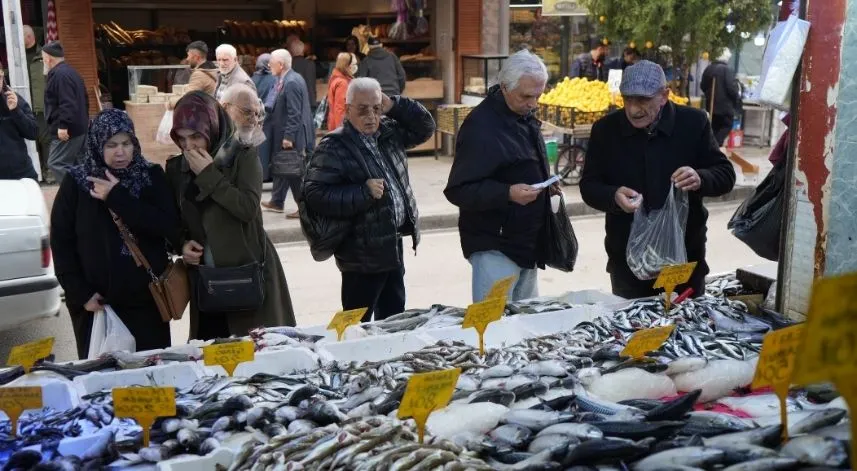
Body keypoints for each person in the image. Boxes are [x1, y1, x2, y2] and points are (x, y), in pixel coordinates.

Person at [580, 60, 736, 299]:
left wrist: (700, 178)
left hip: (684, 260)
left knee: (684, 326)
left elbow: (725, 174)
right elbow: (589, 186)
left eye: (643, 100)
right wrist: (613, 197)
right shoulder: (606, 130)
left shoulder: (693, 123)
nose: (633, 109)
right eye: (627, 99)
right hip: (627, 262)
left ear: (664, 96)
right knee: (631, 329)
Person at [165, 91, 296, 341]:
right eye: (181, 139)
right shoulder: (176, 169)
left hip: (247, 272)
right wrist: (182, 244)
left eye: (195, 136)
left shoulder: (242, 155)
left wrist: (208, 174)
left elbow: (247, 208)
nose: (189, 146)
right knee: (212, 354)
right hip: (208, 280)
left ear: (212, 128)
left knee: (257, 352)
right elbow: (174, 220)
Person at [303, 78, 434, 322]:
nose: (371, 116)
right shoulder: (334, 145)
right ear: (347, 107)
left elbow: (425, 126)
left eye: (376, 108)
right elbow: (315, 194)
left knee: (394, 320)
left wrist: (394, 106)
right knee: (356, 323)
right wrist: (362, 193)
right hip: (360, 254)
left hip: (392, 245)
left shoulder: (389, 132)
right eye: (363, 109)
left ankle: (390, 360)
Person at [50, 109, 178, 359]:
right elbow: (61, 242)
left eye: (126, 143)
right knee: (102, 384)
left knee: (150, 378)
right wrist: (80, 293)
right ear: (98, 143)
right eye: (111, 145)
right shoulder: (77, 182)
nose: (120, 152)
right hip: (97, 305)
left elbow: (167, 226)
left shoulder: (150, 176)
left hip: (146, 303)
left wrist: (118, 197)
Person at [445, 50, 556, 303]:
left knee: (525, 324)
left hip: (527, 241)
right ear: (505, 87)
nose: (533, 103)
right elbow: (459, 189)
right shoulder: (481, 127)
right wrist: (508, 193)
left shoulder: (521, 115)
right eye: (526, 96)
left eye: (538, 96)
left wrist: (546, 184)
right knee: (494, 327)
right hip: (496, 245)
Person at [260, 49, 314, 219]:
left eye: (272, 62)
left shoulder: (291, 82)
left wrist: (289, 137)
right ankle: (277, 201)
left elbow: (295, 113)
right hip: (284, 132)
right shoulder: (286, 78)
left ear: (281, 65)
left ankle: (304, 208)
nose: (269, 65)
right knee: (283, 167)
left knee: (294, 172)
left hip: (292, 135)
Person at [43, 41, 89, 184]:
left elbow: (67, 102)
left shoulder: (60, 75)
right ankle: (85, 193)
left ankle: (73, 192)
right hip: (79, 128)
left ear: (49, 58)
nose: (43, 61)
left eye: (43, 58)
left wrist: (63, 126)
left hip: (68, 131)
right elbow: (85, 100)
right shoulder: (71, 72)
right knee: (78, 164)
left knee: (56, 162)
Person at [0, 68, 39, 180]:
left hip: (21, 173)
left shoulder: (13, 98)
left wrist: (16, 110)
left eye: (0, 77)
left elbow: (33, 132)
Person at [24, 25, 49, 180]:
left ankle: (48, 171)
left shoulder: (44, 56)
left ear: (29, 37)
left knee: (45, 139)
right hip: (23, 106)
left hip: (41, 106)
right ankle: (35, 172)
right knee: (29, 140)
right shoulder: (16, 57)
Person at [701, 49, 742, 146]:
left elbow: (703, 86)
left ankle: (712, 145)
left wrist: (709, 94)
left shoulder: (709, 69)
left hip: (711, 105)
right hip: (725, 107)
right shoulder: (727, 70)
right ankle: (715, 144)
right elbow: (731, 88)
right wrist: (737, 99)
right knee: (726, 126)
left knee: (713, 127)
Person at [168, 41, 217, 109]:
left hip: (203, 114)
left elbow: (186, 99)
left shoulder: (199, 75)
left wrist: (169, 103)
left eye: (188, 55)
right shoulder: (212, 69)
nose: (187, 59)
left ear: (196, 57)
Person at [222, 83, 266, 147]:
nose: (254, 121)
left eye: (257, 114)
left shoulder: (251, 141)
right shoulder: (207, 133)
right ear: (225, 108)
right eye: (247, 111)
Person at [327, 53, 357, 130]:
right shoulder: (343, 83)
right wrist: (341, 130)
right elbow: (340, 109)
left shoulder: (336, 77)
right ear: (347, 65)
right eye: (353, 64)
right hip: (341, 126)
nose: (355, 67)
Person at [288, 39, 317, 109]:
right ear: (303, 50)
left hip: (293, 104)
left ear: (291, 51)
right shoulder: (310, 64)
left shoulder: (288, 66)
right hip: (310, 101)